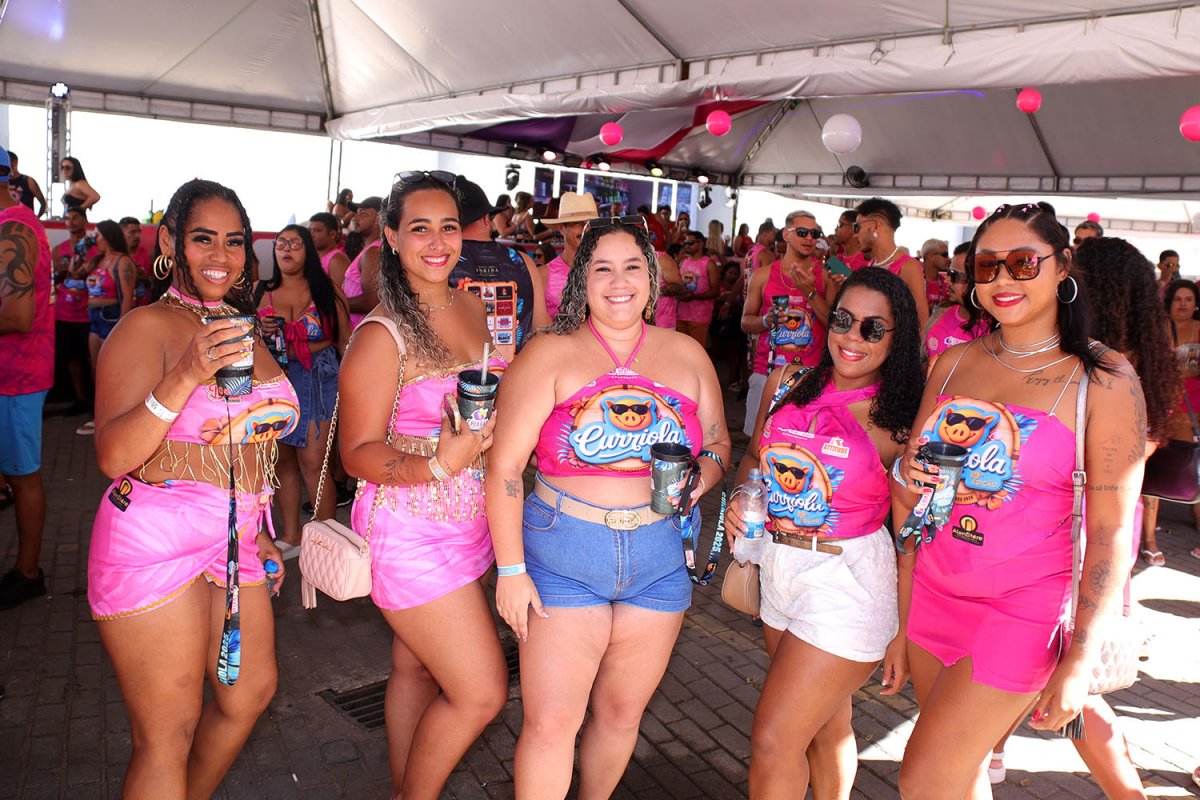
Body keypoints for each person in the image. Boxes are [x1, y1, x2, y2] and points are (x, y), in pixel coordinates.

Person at [895, 202, 1143, 798]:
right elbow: (911, 487)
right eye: (987, 266)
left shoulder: (1104, 378)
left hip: (1021, 610)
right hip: (933, 593)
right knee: (962, 776)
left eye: (1023, 263)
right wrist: (908, 471)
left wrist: (1079, 659)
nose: (1003, 279)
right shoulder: (952, 363)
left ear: (1062, 268)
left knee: (923, 779)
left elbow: (1110, 533)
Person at [487, 216, 731, 798]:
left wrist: (702, 476)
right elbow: (504, 468)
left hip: (660, 554)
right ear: (582, 280)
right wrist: (511, 570)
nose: (619, 282)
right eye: (602, 268)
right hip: (563, 551)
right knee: (551, 724)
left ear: (652, 277)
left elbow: (720, 442)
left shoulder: (688, 354)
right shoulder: (550, 353)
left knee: (621, 715)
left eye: (632, 267)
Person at [88, 179, 296, 797]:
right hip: (154, 541)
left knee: (249, 692)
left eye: (234, 241)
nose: (221, 256)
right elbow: (112, 455)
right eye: (203, 238)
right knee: (167, 733)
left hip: (232, 539)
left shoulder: (239, 326)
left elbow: (251, 439)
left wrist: (255, 526)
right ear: (169, 243)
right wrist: (185, 373)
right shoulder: (145, 327)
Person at [982, 235, 1176, 797]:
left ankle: (1118, 789)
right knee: (1054, 674)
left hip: (1073, 538)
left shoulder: (1102, 368)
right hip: (1093, 534)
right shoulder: (1136, 360)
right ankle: (989, 751)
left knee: (1070, 680)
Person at [337, 172, 507, 797]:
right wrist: (438, 463)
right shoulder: (381, 334)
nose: (438, 242)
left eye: (449, 227)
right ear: (390, 237)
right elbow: (356, 453)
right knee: (481, 692)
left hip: (471, 520)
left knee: (415, 667)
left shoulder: (472, 306)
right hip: (408, 531)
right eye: (420, 228)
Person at [727, 268, 923, 797]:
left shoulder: (900, 418)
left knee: (774, 740)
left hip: (847, 581)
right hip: (779, 568)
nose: (852, 337)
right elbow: (754, 458)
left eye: (872, 328)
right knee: (826, 727)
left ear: (897, 338)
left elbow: (912, 533)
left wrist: (903, 632)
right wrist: (743, 496)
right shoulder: (787, 382)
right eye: (843, 320)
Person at [257, 225, 349, 553]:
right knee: (281, 463)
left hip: (319, 381)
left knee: (314, 464)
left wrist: (352, 390)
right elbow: (247, 340)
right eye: (281, 243)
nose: (287, 249)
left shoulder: (326, 290)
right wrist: (259, 328)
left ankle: (325, 541)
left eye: (295, 244)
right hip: (275, 381)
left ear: (308, 250)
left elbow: (345, 341)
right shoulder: (260, 291)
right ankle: (291, 535)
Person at [0, 149, 54, 609]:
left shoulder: (13, 229)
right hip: (11, 373)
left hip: (15, 375)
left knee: (23, 476)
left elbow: (17, 316)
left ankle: (29, 572)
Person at [741, 210, 832, 436]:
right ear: (786, 235)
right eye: (802, 232)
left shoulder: (825, 277)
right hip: (768, 370)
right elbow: (746, 322)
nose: (809, 238)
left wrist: (810, 292)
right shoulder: (763, 275)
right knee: (757, 439)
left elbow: (834, 324)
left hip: (809, 374)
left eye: (815, 233)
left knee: (798, 441)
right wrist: (766, 320)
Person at [449, 176, 549, 362]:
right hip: (517, 372)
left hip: (458, 375)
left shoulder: (442, 263)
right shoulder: (523, 261)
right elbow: (542, 329)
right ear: (487, 218)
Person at [75, 220, 137, 436]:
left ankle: (112, 414)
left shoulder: (122, 262)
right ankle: (100, 413)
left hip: (110, 318)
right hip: (94, 318)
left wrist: (122, 328)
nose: (96, 239)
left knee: (109, 370)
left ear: (109, 236)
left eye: (98, 235)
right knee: (95, 368)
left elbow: (127, 297)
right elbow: (75, 272)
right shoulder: (97, 260)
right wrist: (83, 247)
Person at [854, 198, 929, 330]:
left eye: (857, 227)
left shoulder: (908, 267)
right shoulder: (871, 264)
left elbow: (922, 320)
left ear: (875, 226)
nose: (855, 235)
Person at [52, 207, 97, 416]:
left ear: (85, 220)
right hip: (64, 311)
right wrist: (61, 272)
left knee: (93, 359)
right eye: (67, 218)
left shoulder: (96, 247)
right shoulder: (58, 249)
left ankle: (98, 401)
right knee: (72, 358)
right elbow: (53, 279)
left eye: (75, 217)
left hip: (89, 311)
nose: (70, 222)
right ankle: (80, 399)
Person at [1164, 278, 1200, 536]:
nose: (1183, 304)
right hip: (1165, 397)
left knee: (1193, 457)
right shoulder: (1159, 328)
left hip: (1195, 398)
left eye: (1188, 299)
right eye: (1177, 299)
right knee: (1164, 458)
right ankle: (1149, 536)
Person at [923, 242, 992, 360]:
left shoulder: (997, 330)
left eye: (954, 275)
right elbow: (923, 358)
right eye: (949, 273)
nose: (947, 281)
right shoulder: (940, 314)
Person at [540, 192, 599, 319]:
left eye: (590, 224)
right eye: (577, 223)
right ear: (562, 228)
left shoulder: (606, 270)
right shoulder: (544, 275)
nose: (585, 229)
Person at [343, 195, 383, 330]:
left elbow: (372, 301)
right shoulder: (369, 250)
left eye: (363, 214)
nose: (355, 218)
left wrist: (334, 304)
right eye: (356, 213)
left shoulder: (374, 252)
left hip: (361, 333)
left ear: (379, 219)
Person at [676, 230, 722, 345]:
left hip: (700, 317)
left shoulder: (709, 263)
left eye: (690, 243)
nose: (687, 245)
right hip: (680, 314)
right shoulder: (683, 262)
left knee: (696, 350)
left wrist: (694, 296)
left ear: (701, 243)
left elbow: (715, 291)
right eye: (685, 243)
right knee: (679, 351)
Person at [309, 211, 351, 287]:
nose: (311, 234)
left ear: (332, 234)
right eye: (309, 230)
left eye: (317, 230)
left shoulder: (337, 260)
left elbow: (340, 293)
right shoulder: (314, 256)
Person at [120, 216, 152, 305]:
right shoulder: (115, 256)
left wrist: (146, 278)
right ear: (121, 233)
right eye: (132, 232)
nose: (137, 236)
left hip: (144, 307)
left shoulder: (148, 254)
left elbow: (159, 284)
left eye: (139, 232)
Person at [6, 152, 46, 218]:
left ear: (15, 162)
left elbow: (43, 203)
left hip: (25, 220)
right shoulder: (3, 182)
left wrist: (36, 219)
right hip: (7, 221)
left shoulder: (28, 181)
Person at [920, 238, 951, 308]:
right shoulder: (915, 281)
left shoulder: (947, 284)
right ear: (931, 256)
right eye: (945, 255)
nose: (948, 259)